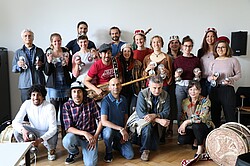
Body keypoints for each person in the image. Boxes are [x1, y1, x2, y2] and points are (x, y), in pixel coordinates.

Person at [128, 75, 170, 161]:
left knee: (155, 147)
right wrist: (158, 119)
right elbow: (141, 113)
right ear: (149, 86)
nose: (157, 91)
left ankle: (143, 141)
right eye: (154, 88)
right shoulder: (142, 94)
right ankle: (145, 150)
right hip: (142, 120)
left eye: (159, 88)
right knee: (147, 127)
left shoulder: (166, 95)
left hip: (156, 123)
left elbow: (166, 112)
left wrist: (154, 115)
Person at [12, 85, 58, 163]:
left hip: (46, 132)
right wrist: (23, 130)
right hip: (34, 130)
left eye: (39, 95)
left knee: (53, 135)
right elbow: (15, 122)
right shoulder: (27, 103)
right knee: (16, 131)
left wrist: (40, 140)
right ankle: (27, 153)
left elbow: (53, 129)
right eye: (33, 95)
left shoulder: (50, 106)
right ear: (30, 96)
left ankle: (51, 150)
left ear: (43, 97)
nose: (36, 97)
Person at [62, 81, 102, 165]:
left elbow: (101, 119)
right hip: (76, 136)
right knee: (67, 141)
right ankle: (74, 152)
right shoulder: (66, 105)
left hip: (90, 138)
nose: (76, 94)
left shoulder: (90, 102)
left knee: (90, 164)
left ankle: (87, 151)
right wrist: (84, 133)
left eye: (79, 91)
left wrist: (96, 136)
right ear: (71, 93)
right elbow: (68, 128)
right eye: (74, 91)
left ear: (83, 93)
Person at [208, 36, 241, 128]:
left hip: (227, 89)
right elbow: (209, 77)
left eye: (223, 47)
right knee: (215, 114)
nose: (220, 49)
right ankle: (215, 135)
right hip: (214, 90)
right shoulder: (213, 62)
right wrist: (212, 78)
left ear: (227, 49)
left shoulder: (233, 60)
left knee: (229, 114)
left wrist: (230, 79)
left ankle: (232, 134)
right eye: (218, 47)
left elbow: (238, 75)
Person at [44, 33, 72, 137]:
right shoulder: (48, 53)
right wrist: (49, 62)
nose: (57, 43)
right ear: (51, 42)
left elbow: (70, 69)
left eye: (59, 40)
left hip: (65, 84)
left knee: (65, 111)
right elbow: (47, 72)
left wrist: (69, 63)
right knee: (53, 111)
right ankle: (53, 135)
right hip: (54, 86)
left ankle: (65, 135)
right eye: (55, 41)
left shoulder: (66, 52)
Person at [101, 78, 134, 162]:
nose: (116, 87)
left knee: (130, 155)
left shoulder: (124, 99)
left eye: (118, 84)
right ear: (109, 87)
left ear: (121, 86)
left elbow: (126, 117)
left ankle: (116, 145)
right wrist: (120, 128)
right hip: (110, 129)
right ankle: (108, 151)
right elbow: (104, 121)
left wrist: (125, 130)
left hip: (121, 131)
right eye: (113, 85)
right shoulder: (105, 101)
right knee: (108, 133)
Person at [178, 81, 214, 157]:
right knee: (182, 140)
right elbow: (183, 117)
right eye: (190, 89)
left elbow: (202, 118)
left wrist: (187, 122)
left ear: (200, 90)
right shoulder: (185, 102)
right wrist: (182, 126)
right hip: (191, 127)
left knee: (196, 125)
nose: (193, 92)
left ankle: (200, 148)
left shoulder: (206, 101)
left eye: (195, 89)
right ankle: (196, 139)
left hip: (204, 126)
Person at [12, 29, 46, 103]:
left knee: (41, 106)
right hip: (25, 85)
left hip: (38, 82)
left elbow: (45, 67)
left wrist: (41, 64)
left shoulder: (39, 51)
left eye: (30, 36)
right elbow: (14, 69)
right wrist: (18, 65)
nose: (28, 37)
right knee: (26, 107)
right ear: (22, 38)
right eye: (25, 36)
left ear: (33, 38)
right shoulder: (18, 52)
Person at [174, 36, 201, 126]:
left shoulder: (196, 60)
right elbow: (173, 74)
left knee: (192, 107)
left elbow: (199, 74)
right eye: (185, 46)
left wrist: (198, 75)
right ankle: (180, 130)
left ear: (192, 47)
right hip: (180, 86)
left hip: (192, 87)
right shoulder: (177, 60)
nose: (187, 48)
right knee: (180, 108)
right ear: (182, 46)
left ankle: (192, 129)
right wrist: (176, 75)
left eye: (190, 46)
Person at [119, 43, 143, 114]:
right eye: (125, 51)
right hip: (122, 90)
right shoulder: (118, 63)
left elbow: (141, 76)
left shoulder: (137, 63)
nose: (127, 53)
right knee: (123, 110)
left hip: (134, 90)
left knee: (132, 109)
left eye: (129, 51)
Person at [166, 35, 182, 137]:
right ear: (169, 45)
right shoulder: (166, 56)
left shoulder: (183, 56)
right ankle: (170, 127)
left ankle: (182, 127)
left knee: (180, 106)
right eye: (172, 42)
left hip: (181, 84)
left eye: (176, 42)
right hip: (170, 84)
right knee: (171, 104)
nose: (174, 44)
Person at [197, 28, 218, 97]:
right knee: (202, 100)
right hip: (202, 80)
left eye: (212, 36)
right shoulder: (201, 51)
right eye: (208, 36)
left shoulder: (218, 51)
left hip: (214, 79)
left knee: (214, 100)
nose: (210, 38)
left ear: (215, 38)